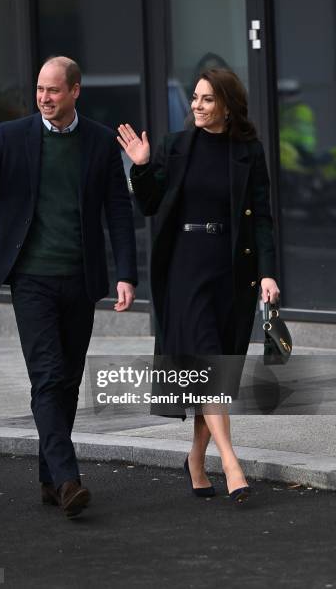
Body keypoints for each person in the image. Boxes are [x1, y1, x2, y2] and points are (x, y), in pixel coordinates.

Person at [0, 56, 137, 517]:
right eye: (39, 90)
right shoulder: (12, 136)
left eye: (53, 90)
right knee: (47, 375)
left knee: (65, 380)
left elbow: (118, 212)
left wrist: (126, 273)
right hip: (31, 279)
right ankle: (69, 480)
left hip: (80, 280)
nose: (44, 98)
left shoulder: (101, 142)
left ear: (75, 92)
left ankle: (49, 477)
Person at [117, 67, 279, 503]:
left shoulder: (248, 151)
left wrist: (267, 271)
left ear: (227, 104)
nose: (196, 105)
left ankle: (195, 457)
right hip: (186, 267)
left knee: (217, 372)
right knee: (209, 361)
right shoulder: (176, 146)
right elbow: (150, 204)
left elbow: (262, 217)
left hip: (233, 270)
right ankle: (231, 464)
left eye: (207, 99)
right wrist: (142, 166)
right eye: (194, 98)